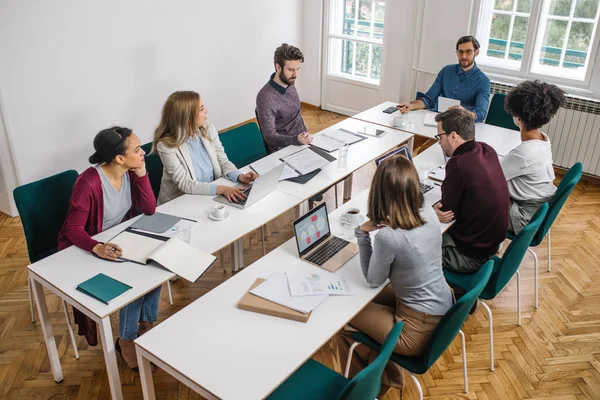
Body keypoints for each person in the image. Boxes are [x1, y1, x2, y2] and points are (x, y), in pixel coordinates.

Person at [336, 155, 453, 398]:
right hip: (443, 307)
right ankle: (384, 376)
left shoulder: (391, 236)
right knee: (369, 301)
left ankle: (368, 389)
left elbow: (373, 279)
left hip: (415, 330)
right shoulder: (428, 213)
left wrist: (362, 234)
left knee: (342, 318)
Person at [57, 126, 160, 370]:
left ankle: (146, 326)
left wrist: (142, 173)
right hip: (88, 247)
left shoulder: (130, 172)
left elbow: (149, 209)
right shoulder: (89, 182)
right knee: (135, 277)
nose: (143, 152)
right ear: (119, 158)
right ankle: (126, 339)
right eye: (137, 150)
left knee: (157, 264)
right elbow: (73, 229)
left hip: (118, 239)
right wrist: (97, 247)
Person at [433, 108, 509, 273]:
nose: (439, 142)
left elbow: (446, 213)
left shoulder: (459, 164)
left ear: (453, 136)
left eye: (440, 136)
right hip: (492, 245)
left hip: (469, 257)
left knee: (415, 244)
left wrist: (433, 210)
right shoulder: (487, 149)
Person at [152, 91, 258, 205]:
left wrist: (240, 176)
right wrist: (222, 189)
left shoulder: (207, 127)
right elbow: (185, 184)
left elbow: (222, 160)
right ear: (187, 117)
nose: (206, 110)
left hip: (211, 195)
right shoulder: (166, 146)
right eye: (201, 109)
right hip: (181, 202)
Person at [502, 80, 566, 234]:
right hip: (540, 208)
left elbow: (490, 177)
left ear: (518, 117)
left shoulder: (523, 153)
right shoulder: (543, 139)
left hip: (524, 216)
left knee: (474, 198)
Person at [397, 36, 490, 122]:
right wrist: (410, 105)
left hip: (462, 125)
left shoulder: (483, 81)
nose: (464, 56)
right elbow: (429, 99)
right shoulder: (447, 71)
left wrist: (464, 112)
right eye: (460, 52)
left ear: (476, 52)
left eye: (468, 51)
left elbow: (481, 113)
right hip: (438, 119)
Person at [256, 43, 312, 152]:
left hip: (303, 143)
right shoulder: (266, 97)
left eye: (297, 69)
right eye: (291, 70)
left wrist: (303, 139)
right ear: (278, 67)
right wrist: (296, 140)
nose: (295, 74)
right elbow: (269, 137)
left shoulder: (289, 82)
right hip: (283, 150)